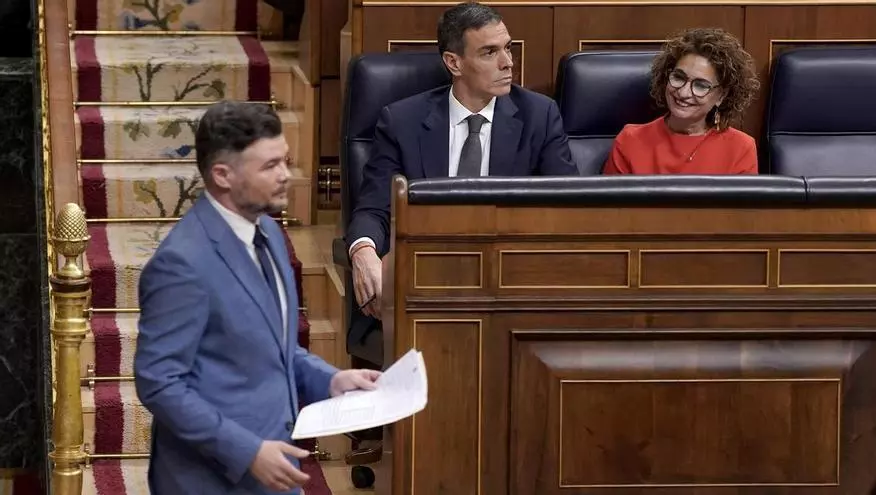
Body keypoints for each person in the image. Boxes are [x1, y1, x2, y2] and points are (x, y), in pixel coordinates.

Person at [134, 101, 381, 495]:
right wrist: (246, 451)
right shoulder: (181, 264)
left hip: (273, 468)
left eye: (286, 161)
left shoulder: (269, 234)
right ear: (223, 175)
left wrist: (331, 379)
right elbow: (159, 384)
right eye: (270, 166)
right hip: (212, 480)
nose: (286, 176)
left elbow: (274, 346)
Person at [347, 1, 578, 329]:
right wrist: (363, 252)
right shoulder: (402, 122)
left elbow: (568, 207)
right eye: (489, 52)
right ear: (454, 62)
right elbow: (374, 208)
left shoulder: (539, 117)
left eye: (508, 48)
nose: (508, 62)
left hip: (509, 279)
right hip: (428, 278)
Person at [603, 27, 760, 175]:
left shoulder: (741, 148)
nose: (684, 93)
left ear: (721, 96)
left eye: (700, 85)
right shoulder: (630, 141)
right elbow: (610, 196)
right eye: (679, 77)